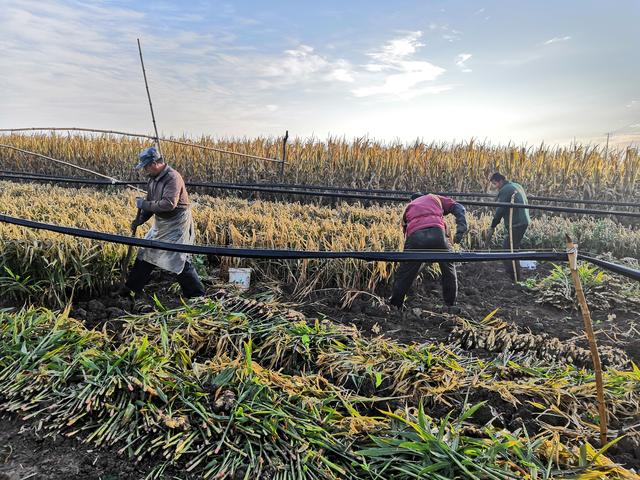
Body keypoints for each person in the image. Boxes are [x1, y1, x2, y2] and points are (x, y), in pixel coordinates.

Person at [121, 146, 205, 298]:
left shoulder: (173, 177)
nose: (145, 170)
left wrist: (144, 205)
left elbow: (168, 204)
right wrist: (139, 220)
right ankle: (132, 289)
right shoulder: (153, 180)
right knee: (146, 251)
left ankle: (196, 294)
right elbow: (150, 203)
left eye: (146, 167)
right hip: (161, 222)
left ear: (154, 163)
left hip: (176, 223)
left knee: (177, 259)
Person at [389, 192, 467, 309]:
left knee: (405, 272)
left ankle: (395, 304)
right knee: (448, 267)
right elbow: (459, 208)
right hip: (438, 234)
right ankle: (450, 304)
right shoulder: (433, 198)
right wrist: (461, 228)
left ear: (412, 201)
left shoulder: (408, 209)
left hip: (415, 237)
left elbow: (407, 235)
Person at [487, 172, 530, 281]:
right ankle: (516, 276)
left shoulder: (506, 190)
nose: (495, 187)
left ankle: (513, 277)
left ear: (500, 181)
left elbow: (500, 210)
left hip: (517, 223)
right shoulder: (516, 185)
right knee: (513, 248)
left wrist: (492, 226)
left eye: (495, 184)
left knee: (507, 249)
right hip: (523, 220)